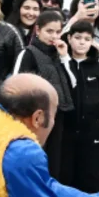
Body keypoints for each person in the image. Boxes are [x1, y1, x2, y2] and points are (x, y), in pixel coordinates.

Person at [13, 11, 76, 182]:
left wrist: (65, 57)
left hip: (58, 116)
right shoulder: (28, 53)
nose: (54, 36)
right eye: (49, 31)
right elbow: (16, 86)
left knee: (54, 165)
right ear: (38, 30)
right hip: (35, 119)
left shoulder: (58, 55)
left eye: (58, 32)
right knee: (34, 164)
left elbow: (73, 84)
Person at [63, 21, 99, 194]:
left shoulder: (98, 67)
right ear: (69, 38)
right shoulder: (62, 64)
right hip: (66, 131)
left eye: (87, 38)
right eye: (77, 37)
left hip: (92, 131)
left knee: (90, 176)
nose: (82, 42)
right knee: (65, 176)